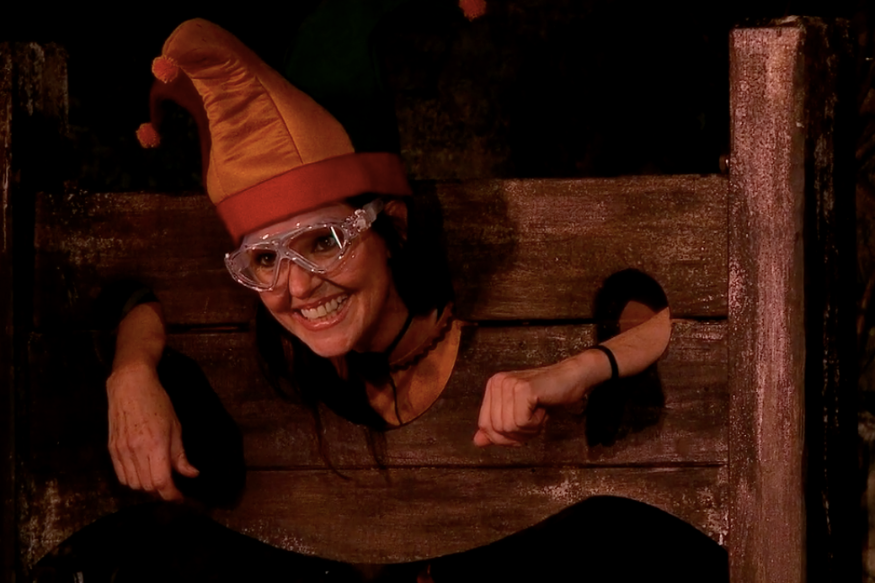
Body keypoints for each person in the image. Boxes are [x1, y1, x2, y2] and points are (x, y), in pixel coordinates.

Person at [96, 13, 725, 583]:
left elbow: (707, 322)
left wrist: (577, 370)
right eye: (264, 259)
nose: (297, 287)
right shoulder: (273, 355)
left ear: (392, 223)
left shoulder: (494, 310)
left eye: (324, 242)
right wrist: (131, 367)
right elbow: (127, 293)